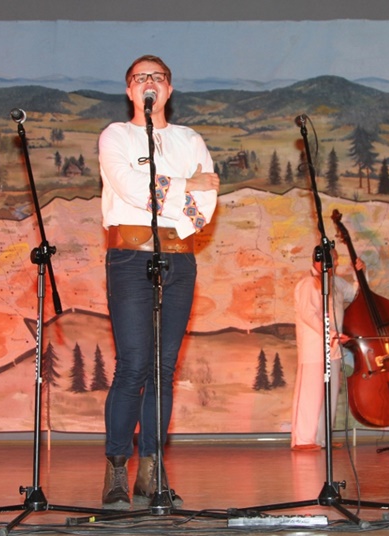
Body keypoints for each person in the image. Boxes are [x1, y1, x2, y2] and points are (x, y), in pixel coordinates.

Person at [98, 54, 220, 510]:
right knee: (132, 364)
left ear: (169, 88)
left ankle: (151, 471)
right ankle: (116, 468)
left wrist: (183, 193)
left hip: (179, 259)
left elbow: (205, 207)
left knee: (163, 369)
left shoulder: (190, 139)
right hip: (131, 258)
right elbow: (129, 188)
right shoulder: (115, 135)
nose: (149, 82)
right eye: (140, 77)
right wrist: (187, 183)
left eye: (158, 77)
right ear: (129, 90)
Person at [291, 248, 364, 450]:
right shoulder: (308, 283)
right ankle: (303, 440)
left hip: (333, 347)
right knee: (311, 394)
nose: (336, 262)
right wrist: (331, 333)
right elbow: (309, 315)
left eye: (335, 259)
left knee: (329, 394)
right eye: (333, 259)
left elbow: (355, 294)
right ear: (318, 261)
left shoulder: (335, 282)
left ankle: (322, 439)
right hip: (314, 348)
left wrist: (359, 274)